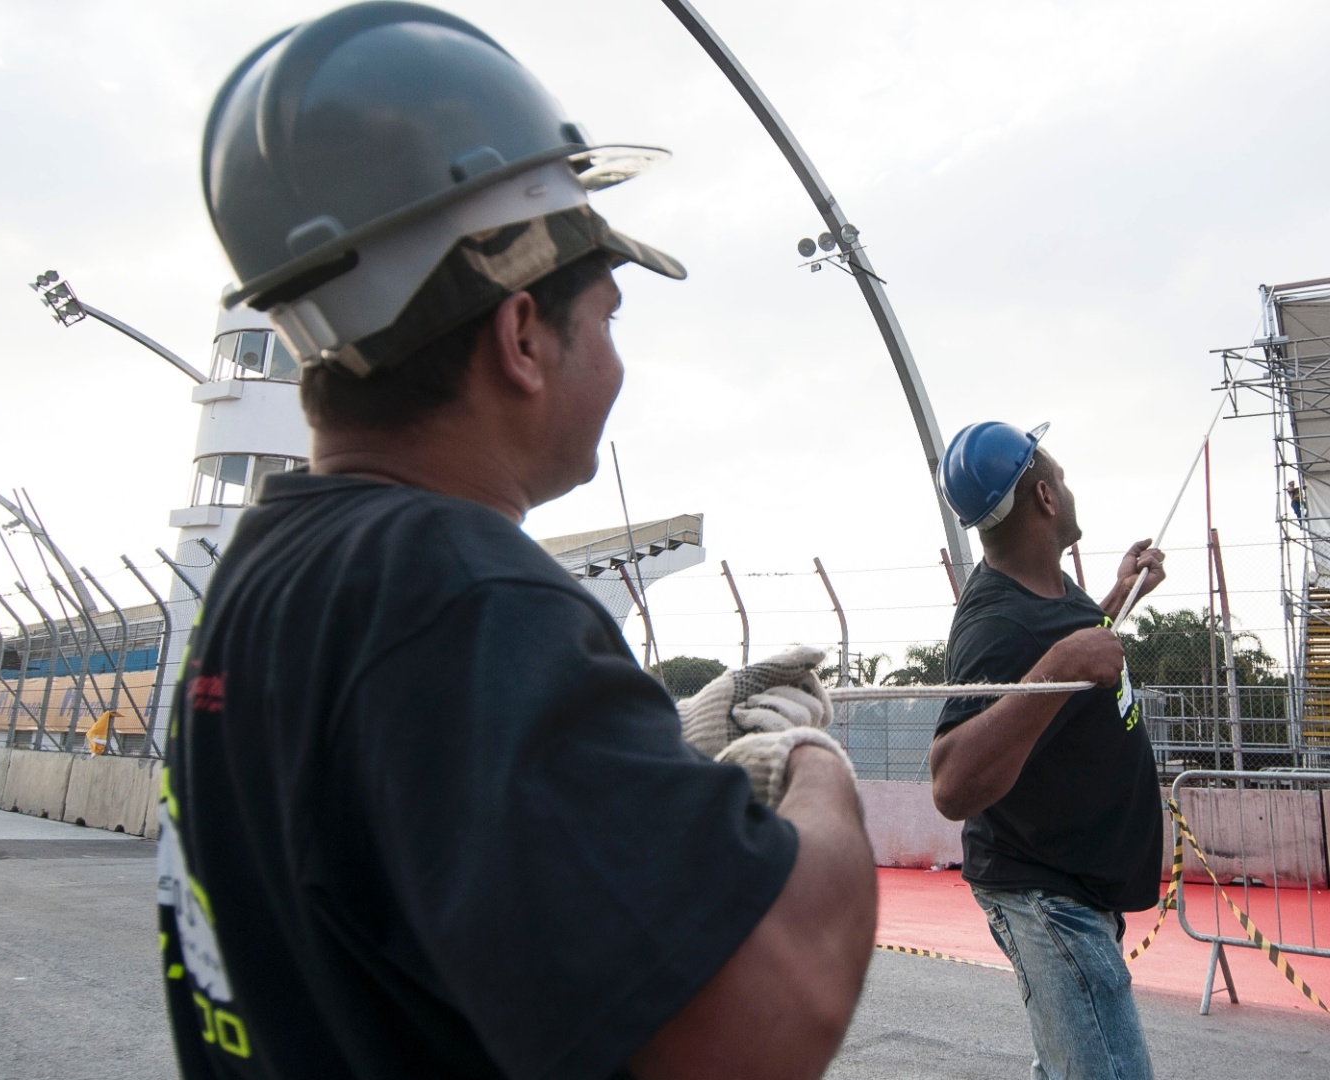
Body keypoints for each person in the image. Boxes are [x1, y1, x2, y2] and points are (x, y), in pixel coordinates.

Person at [156, 7, 875, 1078]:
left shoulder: (271, 571)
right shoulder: (468, 601)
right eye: (610, 320)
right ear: (523, 334)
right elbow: (764, 1021)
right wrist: (810, 769)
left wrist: (658, 764)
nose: (619, 364)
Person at [929, 420, 1167, 1080]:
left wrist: (1120, 596)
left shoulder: (1046, 588)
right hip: (1046, 895)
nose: (1067, 487)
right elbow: (951, 782)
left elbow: (1068, 644)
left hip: (1074, 889)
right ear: (1044, 497)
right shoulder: (995, 621)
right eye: (1060, 476)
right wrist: (1062, 660)